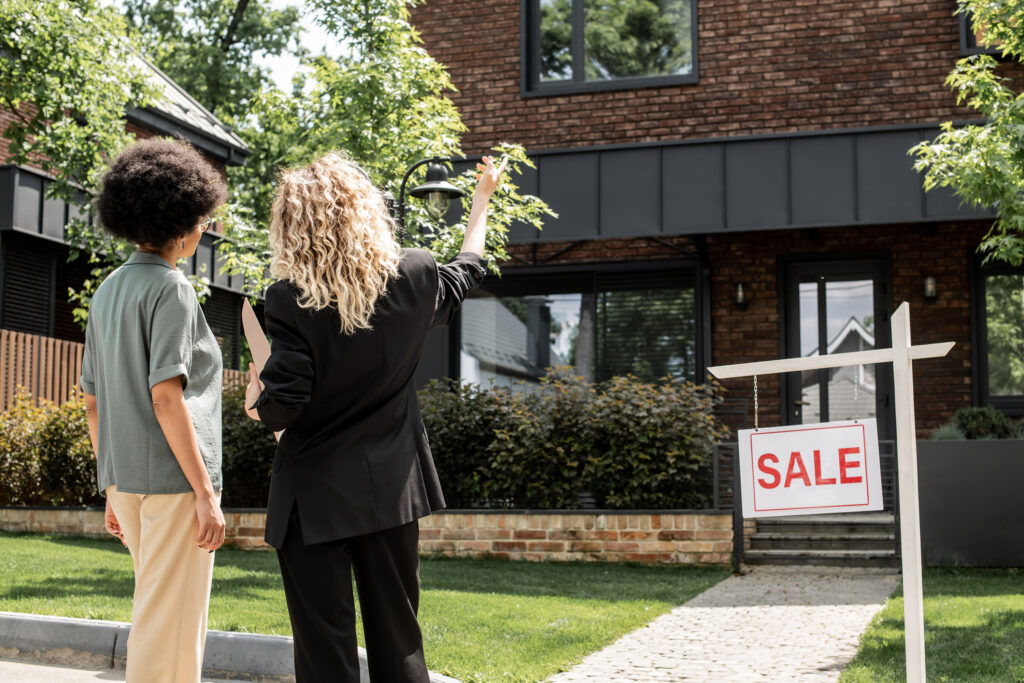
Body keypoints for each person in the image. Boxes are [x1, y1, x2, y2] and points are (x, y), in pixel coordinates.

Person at [245, 152, 506, 682]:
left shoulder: (289, 299)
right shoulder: (415, 276)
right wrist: (481, 201)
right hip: (391, 492)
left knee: (325, 652)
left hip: (312, 499)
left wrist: (257, 396)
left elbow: (283, 405)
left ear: (292, 225)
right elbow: (469, 270)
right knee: (399, 640)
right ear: (366, 211)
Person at [80, 138, 228, 683]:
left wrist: (110, 486)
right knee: (169, 629)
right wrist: (206, 494)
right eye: (202, 220)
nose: (204, 229)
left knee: (157, 612)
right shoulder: (172, 289)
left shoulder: (106, 292)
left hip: (129, 484)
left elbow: (93, 404)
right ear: (182, 225)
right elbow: (166, 397)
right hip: (173, 485)